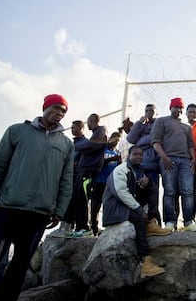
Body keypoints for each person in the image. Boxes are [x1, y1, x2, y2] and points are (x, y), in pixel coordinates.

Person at [0, 94, 74, 301]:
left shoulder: (67, 145)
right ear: (45, 107)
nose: (59, 113)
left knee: (20, 264)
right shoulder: (17, 131)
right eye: (57, 108)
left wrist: (59, 210)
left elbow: (66, 181)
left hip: (39, 213)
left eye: (63, 111)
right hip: (7, 207)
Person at [102, 145, 170, 278]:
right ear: (129, 156)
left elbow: (139, 190)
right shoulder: (121, 170)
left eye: (141, 155)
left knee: (152, 186)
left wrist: (147, 179)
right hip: (116, 208)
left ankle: (151, 222)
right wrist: (138, 209)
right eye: (136, 154)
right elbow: (121, 192)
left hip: (127, 205)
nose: (139, 157)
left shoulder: (138, 171)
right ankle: (145, 262)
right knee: (139, 219)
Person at [150, 97, 196, 232]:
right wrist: (164, 158)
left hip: (185, 161)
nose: (178, 110)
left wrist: (193, 158)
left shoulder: (186, 126)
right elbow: (155, 142)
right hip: (168, 159)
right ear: (170, 107)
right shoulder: (161, 121)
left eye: (180, 108)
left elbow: (190, 145)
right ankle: (170, 222)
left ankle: (189, 221)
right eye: (175, 107)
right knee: (169, 191)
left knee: (188, 191)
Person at [71, 113, 108, 237]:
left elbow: (92, 146)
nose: (88, 125)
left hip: (89, 170)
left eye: (89, 122)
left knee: (83, 197)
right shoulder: (94, 134)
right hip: (84, 169)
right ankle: (79, 227)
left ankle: (85, 228)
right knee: (78, 197)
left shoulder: (101, 130)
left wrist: (78, 146)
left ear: (93, 121)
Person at [56, 120, 89, 236]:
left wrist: (75, 165)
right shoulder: (72, 143)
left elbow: (80, 160)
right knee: (67, 199)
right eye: (71, 127)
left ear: (81, 128)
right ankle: (66, 226)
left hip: (80, 175)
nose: (72, 130)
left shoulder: (85, 143)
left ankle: (79, 227)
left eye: (74, 127)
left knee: (79, 201)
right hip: (71, 175)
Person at [89, 132, 122, 236]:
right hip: (99, 181)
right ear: (110, 139)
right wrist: (111, 160)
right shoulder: (102, 149)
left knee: (108, 205)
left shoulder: (117, 152)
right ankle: (93, 227)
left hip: (110, 183)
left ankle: (106, 227)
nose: (115, 143)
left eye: (118, 141)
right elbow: (97, 163)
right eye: (114, 140)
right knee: (95, 205)